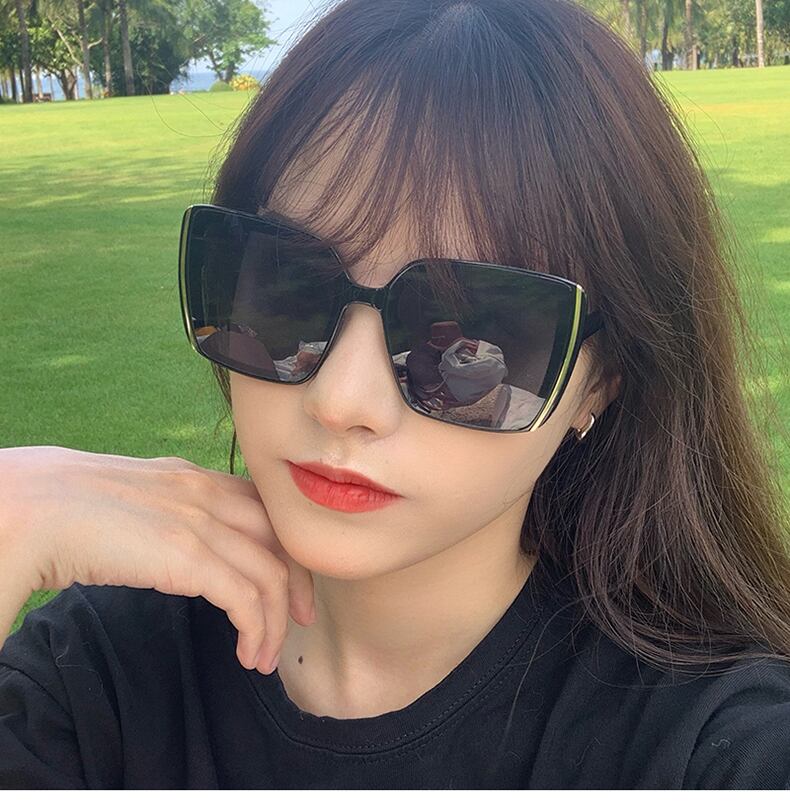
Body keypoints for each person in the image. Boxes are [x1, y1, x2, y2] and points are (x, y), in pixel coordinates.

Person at [1, 0, 789, 790]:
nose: (343, 400)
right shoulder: (99, 674)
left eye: (474, 330)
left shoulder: (710, 746)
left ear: (602, 381)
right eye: (290, 284)